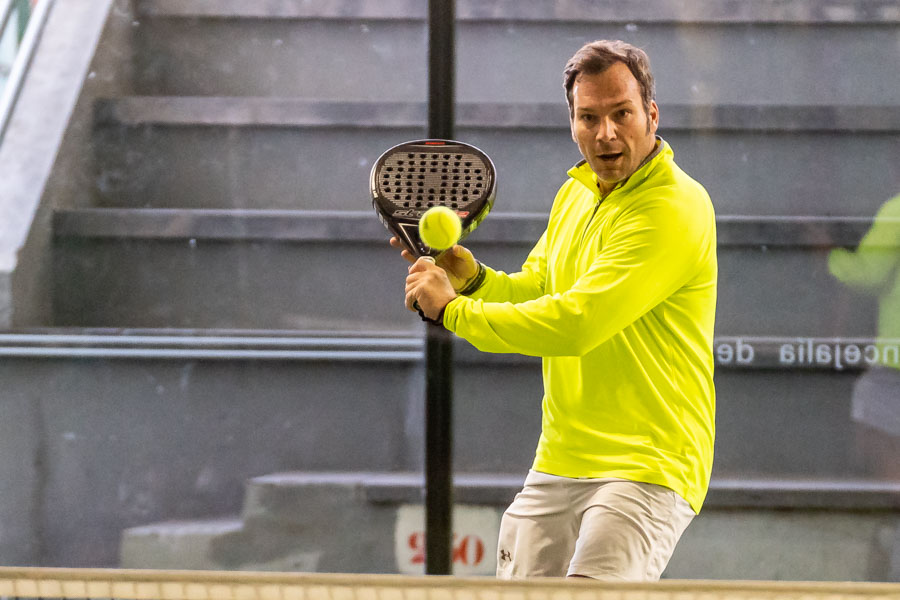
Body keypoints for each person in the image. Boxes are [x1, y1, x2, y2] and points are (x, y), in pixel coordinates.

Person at [393, 40, 717, 581]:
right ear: (572, 123)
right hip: (561, 457)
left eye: (622, 114)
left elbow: (576, 323)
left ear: (652, 115)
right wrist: (473, 281)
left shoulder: (673, 207)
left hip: (648, 464)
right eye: (589, 117)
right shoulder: (576, 194)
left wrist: (452, 312)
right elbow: (541, 290)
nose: (605, 133)